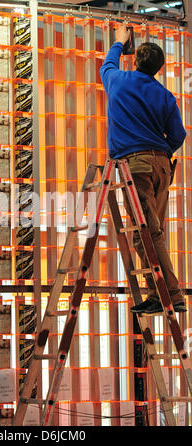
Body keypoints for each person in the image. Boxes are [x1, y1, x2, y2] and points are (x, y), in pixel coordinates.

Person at [100, 24, 187, 315]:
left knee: (147, 235)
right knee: (151, 233)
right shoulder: (164, 96)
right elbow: (178, 136)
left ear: (135, 59)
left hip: (135, 166)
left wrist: (118, 42)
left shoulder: (119, 81)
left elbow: (107, 64)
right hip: (162, 165)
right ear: (159, 68)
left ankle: (170, 295)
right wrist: (159, 153)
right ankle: (157, 292)